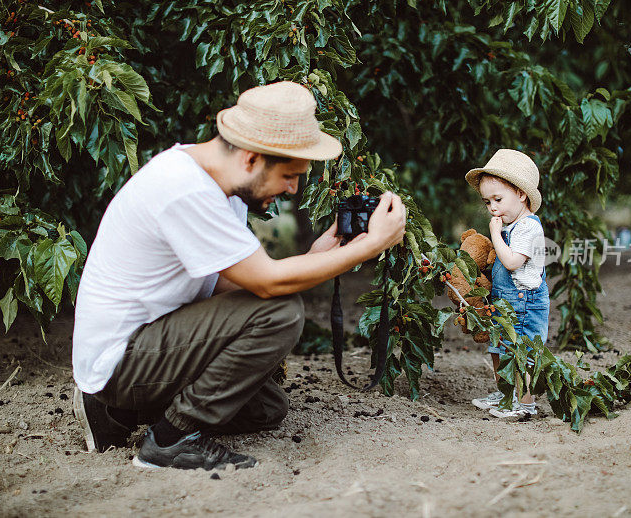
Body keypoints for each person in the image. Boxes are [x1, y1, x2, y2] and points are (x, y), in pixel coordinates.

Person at [71, 81, 406, 470]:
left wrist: (318, 254)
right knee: (281, 313)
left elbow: (232, 281)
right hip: (121, 358)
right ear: (250, 159)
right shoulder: (185, 189)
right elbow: (268, 283)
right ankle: (169, 440)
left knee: (265, 409)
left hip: (149, 342)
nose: (293, 189)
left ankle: (113, 414)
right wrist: (368, 246)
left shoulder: (221, 186)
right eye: (289, 175)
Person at [464, 149, 549, 418]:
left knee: (521, 353)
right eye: (487, 201)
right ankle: (504, 395)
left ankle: (524, 404)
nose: (492, 208)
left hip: (525, 303)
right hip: (505, 303)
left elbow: (512, 262)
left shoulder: (528, 227)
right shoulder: (511, 226)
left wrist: (494, 235)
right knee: (499, 349)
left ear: (521, 194)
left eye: (498, 199)